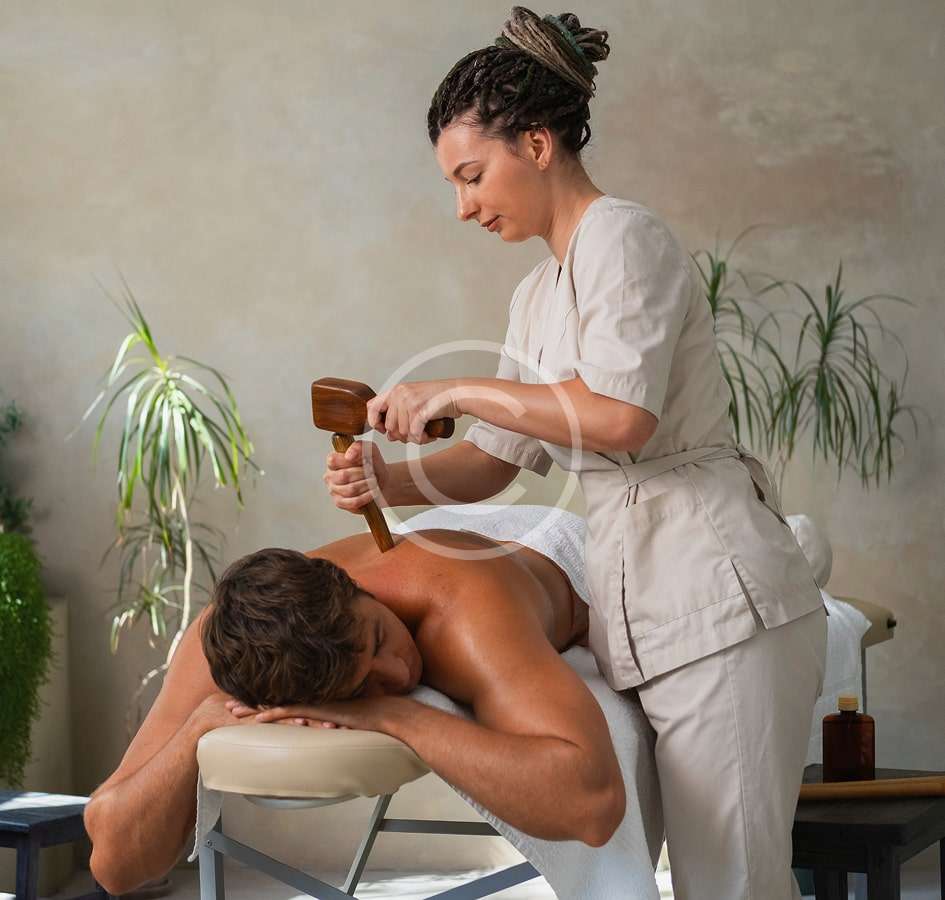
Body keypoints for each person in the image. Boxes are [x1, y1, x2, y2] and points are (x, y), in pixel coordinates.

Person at [324, 8, 829, 899]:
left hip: (718, 600)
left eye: (472, 176)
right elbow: (493, 461)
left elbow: (619, 417)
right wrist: (386, 479)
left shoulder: (624, 237)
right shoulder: (534, 295)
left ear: (537, 142)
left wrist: (455, 390)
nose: (463, 206)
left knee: (733, 887)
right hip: (640, 611)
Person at [83, 521, 629, 897]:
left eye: (378, 638)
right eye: (361, 688)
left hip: (558, 553)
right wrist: (198, 725)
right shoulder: (229, 638)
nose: (399, 674)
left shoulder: (464, 613)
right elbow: (112, 864)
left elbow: (594, 804)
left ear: (353, 587)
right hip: (451, 538)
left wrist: (394, 716)